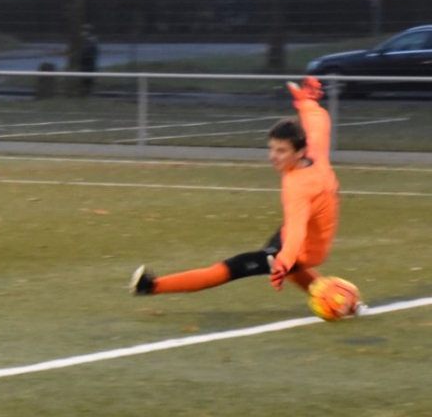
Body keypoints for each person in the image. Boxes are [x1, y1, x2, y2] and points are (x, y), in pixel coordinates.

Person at [129, 77, 359, 311]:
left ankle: (150, 286)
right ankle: (340, 300)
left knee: (231, 268)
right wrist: (306, 103)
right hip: (300, 239)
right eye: (272, 148)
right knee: (287, 268)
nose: (273, 156)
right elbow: (318, 122)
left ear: (300, 152)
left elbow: (296, 230)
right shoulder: (314, 154)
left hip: (304, 251)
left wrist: (285, 260)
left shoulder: (298, 186)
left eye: (281, 151)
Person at [77, 24, 99, 97]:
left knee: (87, 80)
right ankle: (86, 93)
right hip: (88, 64)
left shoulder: (91, 41)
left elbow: (87, 53)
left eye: (84, 31)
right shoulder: (90, 40)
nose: (82, 33)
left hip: (88, 64)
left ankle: (86, 94)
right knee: (86, 80)